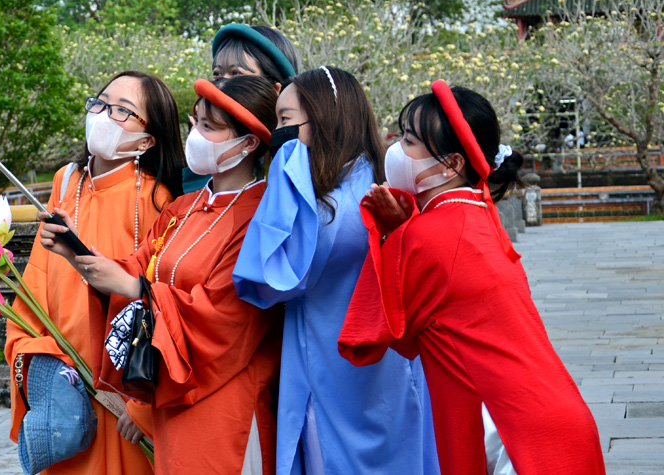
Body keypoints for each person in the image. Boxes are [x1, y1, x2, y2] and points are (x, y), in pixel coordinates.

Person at [338, 80, 606, 474]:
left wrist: (396, 232)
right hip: (545, 422)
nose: (396, 149)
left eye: (409, 141)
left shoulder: (430, 234)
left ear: (452, 163)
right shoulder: (476, 215)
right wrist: (405, 229)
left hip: (513, 441)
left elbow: (377, 333)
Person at [42, 76, 283, 474]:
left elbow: (225, 319)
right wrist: (76, 251)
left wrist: (136, 289)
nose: (195, 135)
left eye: (209, 126)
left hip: (226, 404)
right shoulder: (184, 209)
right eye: (194, 123)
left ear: (249, 142)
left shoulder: (261, 218)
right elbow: (135, 269)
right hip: (171, 398)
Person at [233, 66, 439, 475]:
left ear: (324, 116)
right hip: (333, 367)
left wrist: (283, 177)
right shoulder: (352, 181)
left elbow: (272, 279)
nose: (279, 132)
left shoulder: (347, 203)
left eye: (286, 120)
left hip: (353, 375)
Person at [4, 71, 184, 475]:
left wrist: (140, 402)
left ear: (147, 141)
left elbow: (159, 303)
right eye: (101, 103)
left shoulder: (159, 200)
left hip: (122, 388)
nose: (104, 114)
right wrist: (37, 357)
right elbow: (35, 283)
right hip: (66, 384)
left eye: (122, 111)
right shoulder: (65, 182)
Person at [182, 22, 300, 194]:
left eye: (237, 74)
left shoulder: (298, 168)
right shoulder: (204, 174)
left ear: (275, 90)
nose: (221, 85)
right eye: (217, 74)